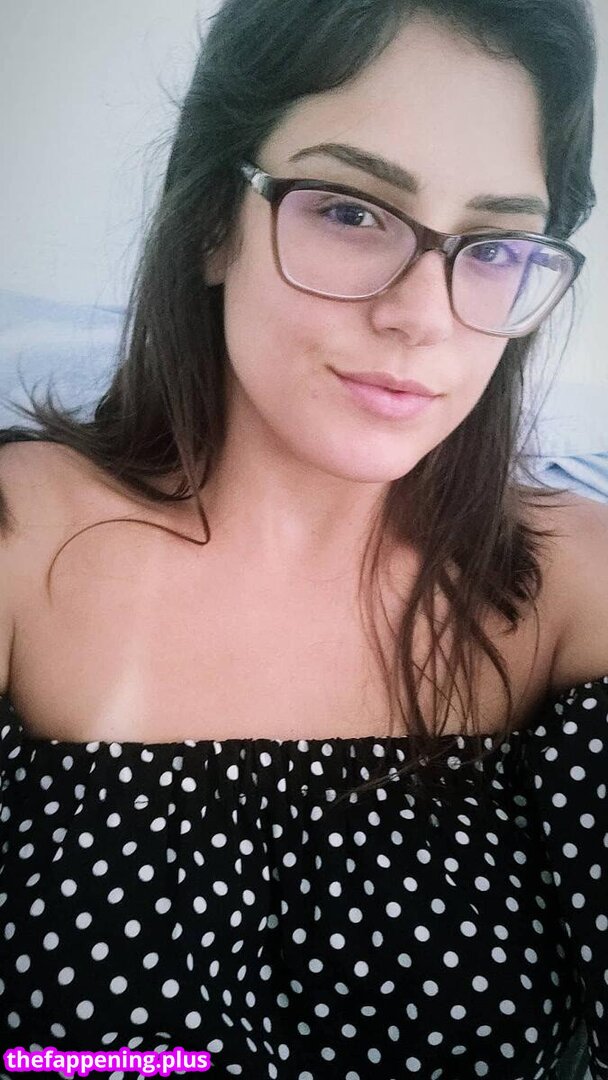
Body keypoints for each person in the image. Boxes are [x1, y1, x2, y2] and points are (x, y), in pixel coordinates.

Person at [0, 0, 606, 1076]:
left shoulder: (572, 581)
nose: (423, 315)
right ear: (210, 222)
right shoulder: (23, 541)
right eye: (350, 210)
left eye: (493, 245)